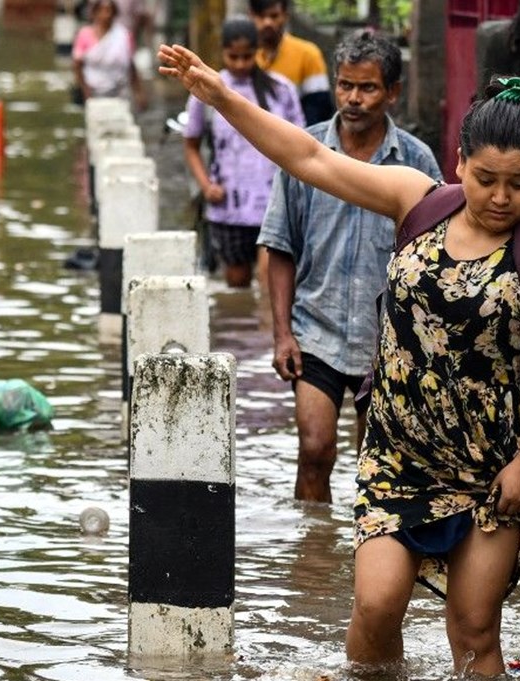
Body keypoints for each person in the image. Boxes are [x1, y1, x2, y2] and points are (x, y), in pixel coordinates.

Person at [158, 43, 520, 677]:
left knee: (473, 629)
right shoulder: (418, 201)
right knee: (377, 604)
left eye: (519, 183)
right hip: (400, 455)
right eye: (485, 179)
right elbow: (308, 157)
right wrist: (221, 97)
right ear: (458, 163)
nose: (500, 198)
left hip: (492, 465)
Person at [257, 30, 441, 503]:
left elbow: (437, 261)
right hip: (315, 331)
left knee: (377, 464)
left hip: (387, 341)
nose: (353, 99)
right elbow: (278, 247)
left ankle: (365, 564)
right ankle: (311, 558)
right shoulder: (304, 155)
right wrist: (282, 334)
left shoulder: (417, 163)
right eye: (345, 86)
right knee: (315, 450)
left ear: (393, 92)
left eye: (367, 88)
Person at [181, 17, 305, 288]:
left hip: (275, 202)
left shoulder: (281, 90)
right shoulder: (207, 89)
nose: (239, 64)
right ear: (222, 52)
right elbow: (191, 144)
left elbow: (302, 147)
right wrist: (205, 186)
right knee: (237, 285)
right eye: (233, 56)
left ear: (257, 51)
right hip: (228, 206)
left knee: (271, 282)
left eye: (246, 56)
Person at [248, 0, 333, 124]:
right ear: (251, 16)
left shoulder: (308, 54)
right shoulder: (244, 58)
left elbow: (319, 110)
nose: (267, 22)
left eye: (274, 16)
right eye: (261, 16)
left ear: (285, 15)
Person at [72, 0, 148, 110]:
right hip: (93, 92)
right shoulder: (85, 34)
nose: (106, 15)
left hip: (120, 93)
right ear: (95, 13)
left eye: (109, 11)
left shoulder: (124, 36)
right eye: (102, 10)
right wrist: (84, 90)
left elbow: (131, 66)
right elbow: (77, 65)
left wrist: (139, 93)